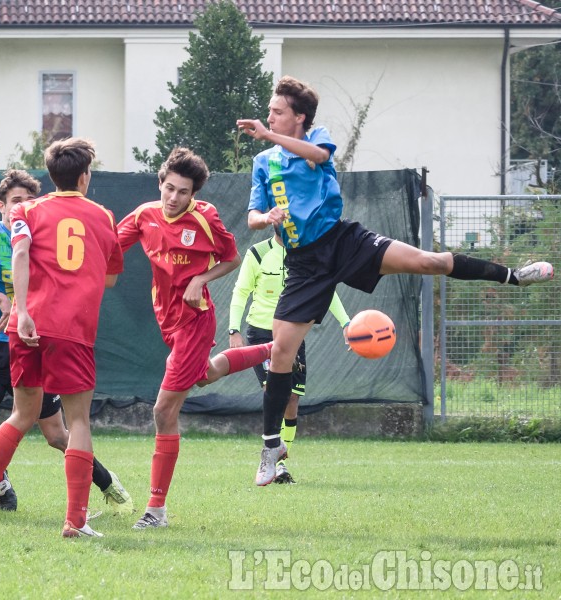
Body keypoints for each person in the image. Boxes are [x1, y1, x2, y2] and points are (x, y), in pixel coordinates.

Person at [237, 75, 555, 486]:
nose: (268, 118)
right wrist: (268, 218)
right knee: (280, 353)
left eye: (276, 112)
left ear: (298, 117)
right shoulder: (264, 163)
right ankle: (269, 449)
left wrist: (270, 136)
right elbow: (251, 217)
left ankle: (514, 276)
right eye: (268, 113)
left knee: (428, 261)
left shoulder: (316, 137)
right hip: (304, 265)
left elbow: (317, 155)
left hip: (343, 241)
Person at [0, 169, 133, 518]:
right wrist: (1, 298)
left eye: (29, 199)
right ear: (2, 205)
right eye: (17, 201)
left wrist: (22, 307)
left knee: (56, 434)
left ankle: (105, 481)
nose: (25, 206)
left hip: (33, 333)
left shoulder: (42, 225)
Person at [117, 147, 276, 529]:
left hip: (195, 320)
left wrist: (201, 279)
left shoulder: (205, 219)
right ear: (160, 183)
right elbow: (106, 246)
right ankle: (275, 349)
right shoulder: (145, 215)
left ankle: (156, 510)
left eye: (182, 192)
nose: (173, 198)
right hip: (166, 319)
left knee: (163, 411)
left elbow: (232, 257)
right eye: (168, 188)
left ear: (194, 195)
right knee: (204, 374)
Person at [228, 225, 351, 484]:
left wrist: (347, 324)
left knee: (293, 398)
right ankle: (271, 457)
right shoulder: (258, 253)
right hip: (261, 334)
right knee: (272, 392)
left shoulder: (308, 254)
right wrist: (233, 329)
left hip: (293, 332)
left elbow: (326, 291)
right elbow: (241, 291)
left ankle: (281, 463)